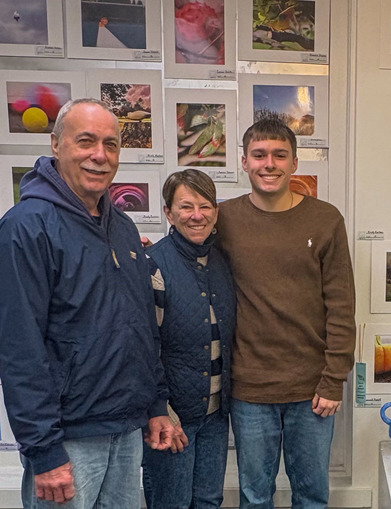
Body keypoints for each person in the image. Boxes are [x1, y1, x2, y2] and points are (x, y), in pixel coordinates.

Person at [0, 98, 173, 508]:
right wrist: (43, 451)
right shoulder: (26, 228)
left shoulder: (124, 228)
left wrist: (156, 405)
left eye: (111, 144)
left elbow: (142, 326)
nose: (100, 155)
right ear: (56, 144)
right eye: (86, 142)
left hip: (128, 430)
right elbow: (19, 349)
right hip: (68, 441)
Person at [215, 118, 356, 508]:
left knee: (311, 495)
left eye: (280, 155)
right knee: (254, 495)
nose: (269, 164)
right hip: (249, 388)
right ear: (244, 162)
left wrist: (333, 380)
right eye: (259, 155)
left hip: (311, 389)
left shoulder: (325, 220)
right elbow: (184, 252)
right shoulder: (223, 219)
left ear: (295, 163)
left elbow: (342, 306)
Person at [142, 170, 236, 508]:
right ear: (168, 212)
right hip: (172, 418)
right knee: (172, 502)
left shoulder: (223, 262)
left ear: (216, 211)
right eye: (185, 207)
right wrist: (162, 412)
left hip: (214, 415)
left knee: (209, 501)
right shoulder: (154, 264)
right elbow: (144, 349)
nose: (197, 215)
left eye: (205, 206)